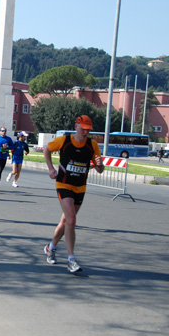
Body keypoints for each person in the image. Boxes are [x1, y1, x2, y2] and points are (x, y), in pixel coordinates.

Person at [43, 115, 104, 274]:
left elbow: (99, 169)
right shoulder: (64, 140)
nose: (85, 132)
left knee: (65, 221)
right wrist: (51, 168)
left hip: (80, 187)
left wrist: (99, 165)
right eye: (83, 128)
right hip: (63, 184)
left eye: (88, 130)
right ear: (76, 126)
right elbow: (47, 150)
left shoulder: (92, 145)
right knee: (71, 219)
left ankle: (51, 247)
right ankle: (71, 260)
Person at [0, 126, 14, 192]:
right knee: (0, 169)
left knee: (0, 170)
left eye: (5, 131)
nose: (4, 132)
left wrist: (7, 147)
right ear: (0, 131)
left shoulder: (8, 139)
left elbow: (12, 146)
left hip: (4, 155)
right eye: (2, 131)